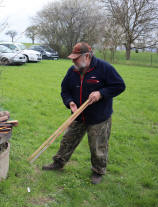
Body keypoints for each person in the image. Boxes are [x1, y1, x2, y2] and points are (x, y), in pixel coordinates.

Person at [42, 42, 126, 184]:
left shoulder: (104, 68)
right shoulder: (72, 71)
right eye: (72, 58)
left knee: (98, 146)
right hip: (78, 115)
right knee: (67, 140)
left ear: (86, 56)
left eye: (76, 58)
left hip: (99, 117)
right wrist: (70, 102)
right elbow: (65, 90)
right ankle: (58, 163)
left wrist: (101, 93)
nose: (73, 61)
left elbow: (119, 85)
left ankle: (98, 171)